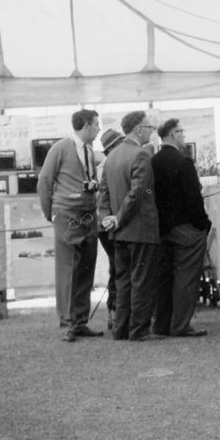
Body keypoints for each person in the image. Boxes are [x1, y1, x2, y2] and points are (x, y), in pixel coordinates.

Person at [37, 109, 104, 342]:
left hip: (88, 214)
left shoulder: (89, 151)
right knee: (68, 270)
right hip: (67, 214)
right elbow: (45, 181)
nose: (98, 129)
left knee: (86, 267)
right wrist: (50, 213)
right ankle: (67, 324)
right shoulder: (60, 148)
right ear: (85, 126)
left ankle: (80, 321)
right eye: (96, 125)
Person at [98, 111, 160, 341]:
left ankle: (121, 329)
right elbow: (137, 194)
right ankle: (139, 330)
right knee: (141, 281)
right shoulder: (141, 155)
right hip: (140, 230)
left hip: (118, 233)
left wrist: (108, 218)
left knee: (122, 281)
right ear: (137, 129)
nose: (151, 131)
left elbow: (103, 193)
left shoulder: (112, 157)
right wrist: (119, 218)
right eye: (149, 127)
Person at [151, 118, 211, 338]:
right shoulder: (183, 162)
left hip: (162, 228)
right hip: (185, 228)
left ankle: (161, 324)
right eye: (182, 132)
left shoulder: (153, 161)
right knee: (186, 278)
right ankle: (181, 325)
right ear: (173, 134)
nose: (184, 136)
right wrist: (204, 225)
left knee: (164, 279)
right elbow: (193, 199)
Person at [95, 128, 124, 330]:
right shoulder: (113, 164)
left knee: (116, 268)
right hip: (111, 223)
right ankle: (117, 313)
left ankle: (114, 314)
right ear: (112, 147)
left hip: (102, 224)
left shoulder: (102, 166)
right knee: (119, 269)